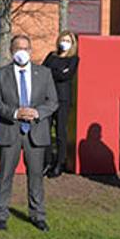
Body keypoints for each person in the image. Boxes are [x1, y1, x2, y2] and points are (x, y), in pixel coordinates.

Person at [0, 35, 58, 231]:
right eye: (18, 48)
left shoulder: (44, 74)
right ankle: (0, 214)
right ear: (11, 51)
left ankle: (37, 215)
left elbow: (52, 102)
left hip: (36, 132)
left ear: (30, 51)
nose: (22, 51)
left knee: (36, 175)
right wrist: (15, 113)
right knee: (5, 175)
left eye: (25, 48)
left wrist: (37, 113)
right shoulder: (1, 74)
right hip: (10, 130)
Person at [42, 31, 79, 178]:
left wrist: (53, 72)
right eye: (63, 39)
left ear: (72, 44)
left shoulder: (74, 59)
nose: (64, 42)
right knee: (45, 130)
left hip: (63, 99)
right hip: (47, 98)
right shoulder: (52, 56)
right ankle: (47, 162)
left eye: (68, 40)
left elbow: (66, 76)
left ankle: (59, 164)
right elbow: (43, 72)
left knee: (60, 132)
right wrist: (57, 72)